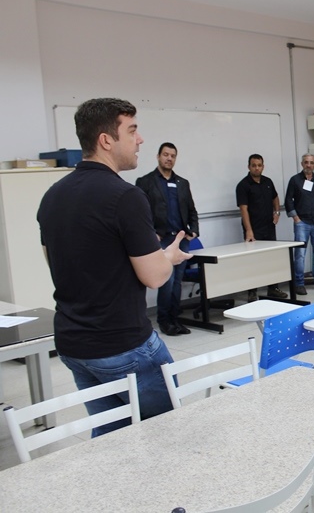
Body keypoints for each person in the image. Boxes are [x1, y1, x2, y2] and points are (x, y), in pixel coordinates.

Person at [37, 97, 191, 436]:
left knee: (113, 440)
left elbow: (58, 262)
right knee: (170, 435)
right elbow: (154, 276)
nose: (140, 140)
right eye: (132, 130)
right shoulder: (125, 197)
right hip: (123, 347)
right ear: (106, 140)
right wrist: (168, 256)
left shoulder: (53, 195)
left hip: (74, 345)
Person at [136, 143, 199, 336]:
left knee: (177, 282)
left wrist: (194, 231)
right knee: (167, 281)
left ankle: (175, 319)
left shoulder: (182, 183)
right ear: (158, 157)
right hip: (161, 240)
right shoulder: (145, 182)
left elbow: (191, 210)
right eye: (165, 155)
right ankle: (165, 321)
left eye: (172, 156)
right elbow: (140, 212)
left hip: (181, 239)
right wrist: (150, 233)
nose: (169, 159)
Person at [236, 153, 288, 300]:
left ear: (263, 167)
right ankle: (252, 291)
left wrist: (277, 212)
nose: (257, 168)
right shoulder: (243, 185)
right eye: (254, 165)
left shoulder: (268, 182)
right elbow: (243, 209)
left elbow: (275, 197)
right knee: (253, 260)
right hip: (253, 229)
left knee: (271, 258)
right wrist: (249, 231)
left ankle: (273, 288)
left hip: (269, 227)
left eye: (259, 165)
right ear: (249, 167)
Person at [285, 153, 314, 295]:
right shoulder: (295, 180)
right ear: (302, 164)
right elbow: (288, 200)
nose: (309, 165)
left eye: (311, 163)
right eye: (306, 162)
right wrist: (296, 218)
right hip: (302, 222)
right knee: (300, 254)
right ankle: (299, 283)